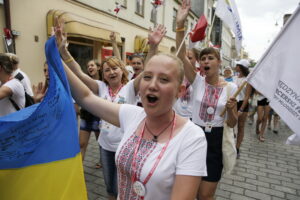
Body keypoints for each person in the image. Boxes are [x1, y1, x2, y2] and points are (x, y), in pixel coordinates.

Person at [176, 1, 238, 199]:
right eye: (203, 59)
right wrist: (180, 24)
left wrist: (230, 110)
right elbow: (180, 55)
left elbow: (232, 123)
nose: (205, 61)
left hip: (216, 142)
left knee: (205, 195)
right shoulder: (198, 82)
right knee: (189, 192)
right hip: (194, 137)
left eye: (210, 58)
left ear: (219, 62)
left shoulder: (231, 88)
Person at [78, 59, 102, 166]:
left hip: (99, 116)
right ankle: (78, 170)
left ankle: (103, 160)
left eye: (92, 65)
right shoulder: (85, 81)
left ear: (99, 67)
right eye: (88, 66)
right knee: (81, 144)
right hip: (86, 115)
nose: (90, 68)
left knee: (101, 143)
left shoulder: (104, 82)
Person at [233, 59, 250, 158]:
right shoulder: (234, 78)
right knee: (230, 126)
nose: (236, 66)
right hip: (233, 103)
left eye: (237, 65)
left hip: (242, 104)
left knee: (241, 126)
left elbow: (247, 96)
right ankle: (230, 146)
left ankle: (237, 148)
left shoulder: (248, 80)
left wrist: (241, 109)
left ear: (241, 67)